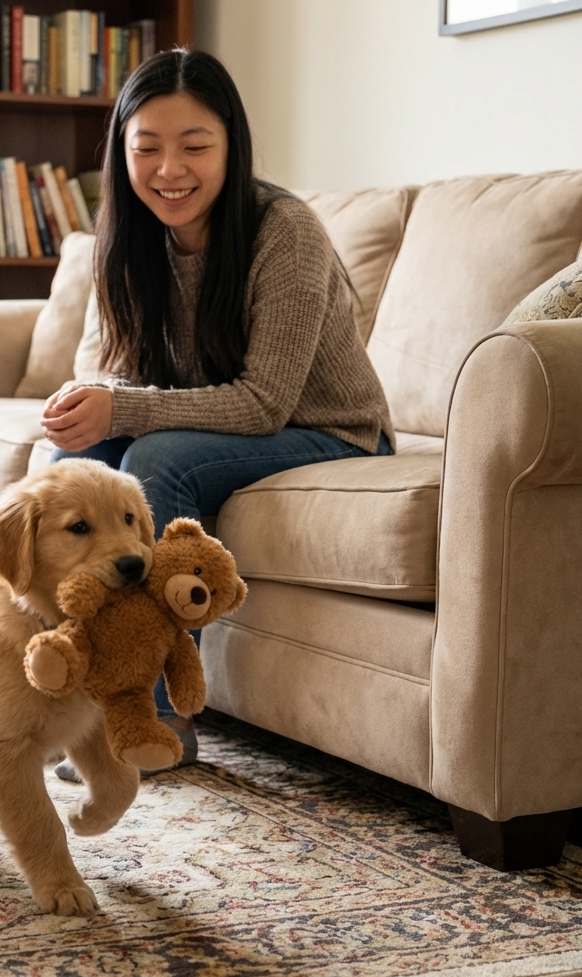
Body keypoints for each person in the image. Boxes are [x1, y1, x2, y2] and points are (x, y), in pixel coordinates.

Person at [43, 49, 394, 781]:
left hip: (331, 432)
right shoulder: (131, 236)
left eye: (195, 146)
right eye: (147, 148)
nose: (170, 169)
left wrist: (123, 409)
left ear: (232, 144)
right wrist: (87, 407)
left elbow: (266, 399)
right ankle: (66, 699)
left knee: (155, 463)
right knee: (76, 475)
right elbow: (119, 368)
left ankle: (161, 720)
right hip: (222, 426)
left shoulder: (283, 231)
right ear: (123, 153)